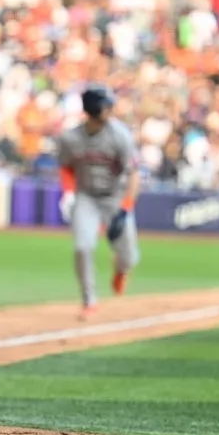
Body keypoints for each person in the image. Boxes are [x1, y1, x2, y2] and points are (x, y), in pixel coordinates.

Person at [55, 84, 141, 320]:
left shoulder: (120, 135)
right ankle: (89, 301)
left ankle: (121, 269)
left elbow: (134, 174)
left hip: (115, 197)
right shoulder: (70, 138)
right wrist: (68, 193)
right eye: (106, 106)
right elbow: (66, 168)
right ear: (93, 108)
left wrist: (125, 208)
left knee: (129, 257)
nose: (110, 109)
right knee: (82, 247)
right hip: (87, 197)